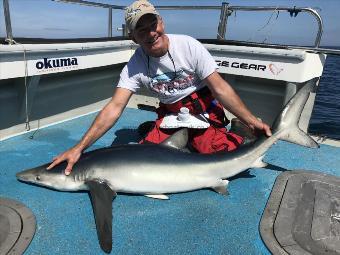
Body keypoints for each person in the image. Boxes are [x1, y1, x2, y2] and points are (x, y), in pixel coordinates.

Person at [47, 0, 272, 175]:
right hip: (172, 114)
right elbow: (115, 107)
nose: (151, 33)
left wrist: (253, 121)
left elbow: (220, 89)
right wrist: (79, 148)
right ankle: (163, 131)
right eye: (141, 30)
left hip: (202, 108)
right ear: (132, 37)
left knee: (218, 155)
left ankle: (239, 130)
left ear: (161, 22)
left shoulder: (189, 46)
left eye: (152, 25)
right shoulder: (134, 66)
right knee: (145, 160)